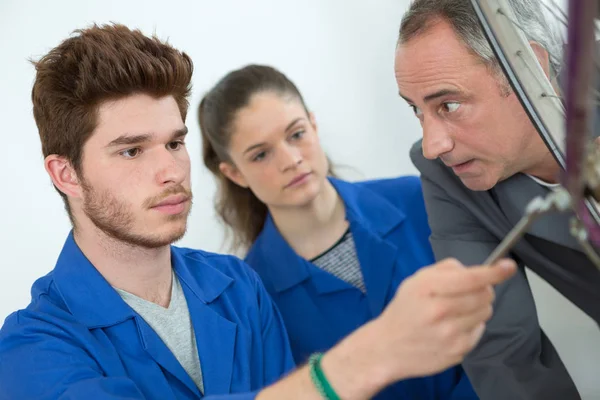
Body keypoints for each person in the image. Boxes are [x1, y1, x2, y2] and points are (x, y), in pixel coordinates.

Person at [0, 22, 517, 400]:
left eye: (174, 144)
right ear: (65, 174)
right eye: (132, 150)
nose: (170, 172)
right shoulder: (32, 347)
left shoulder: (237, 288)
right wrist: (362, 360)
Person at [198, 63, 479, 400]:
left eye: (296, 134)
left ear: (313, 126)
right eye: (261, 155)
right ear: (235, 174)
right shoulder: (253, 297)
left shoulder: (419, 199)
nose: (291, 159)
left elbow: (498, 330)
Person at [394, 0, 596, 399]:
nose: (434, 145)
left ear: (529, 69)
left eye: (448, 105)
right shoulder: (445, 175)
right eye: (417, 110)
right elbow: (501, 352)